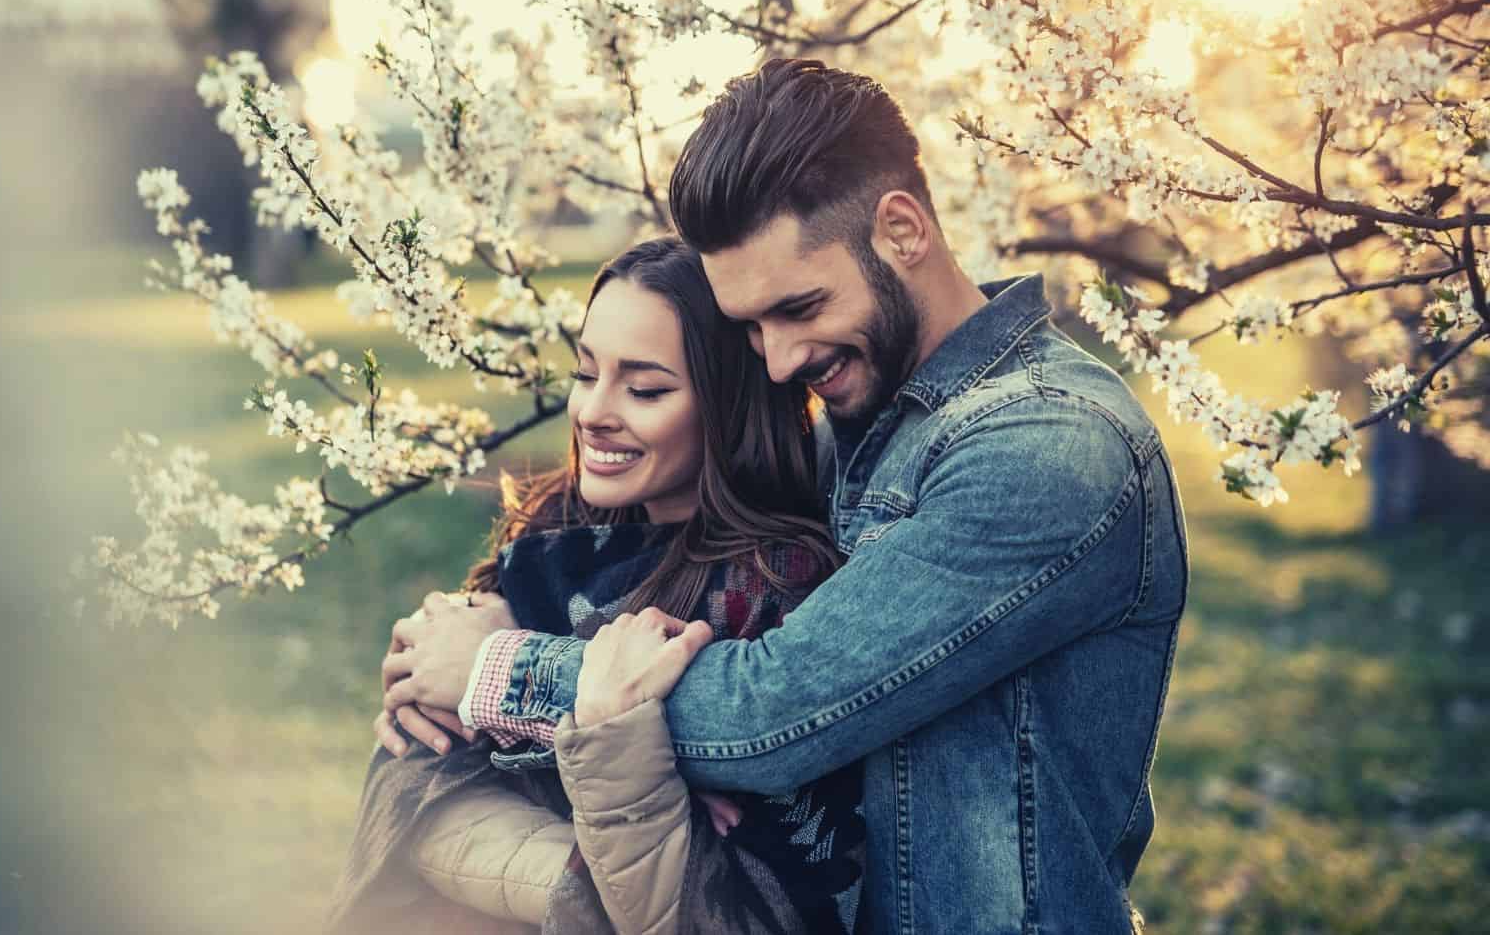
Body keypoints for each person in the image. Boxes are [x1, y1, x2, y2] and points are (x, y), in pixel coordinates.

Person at [381, 58, 1190, 934]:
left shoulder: (1047, 445)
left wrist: (496, 673)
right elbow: (692, 561)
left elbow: (768, 713)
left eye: (799, 306)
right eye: (751, 326)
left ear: (903, 230)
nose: (776, 361)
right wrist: (458, 631)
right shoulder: (856, 414)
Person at [330, 237, 866, 935]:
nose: (594, 412)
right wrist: (427, 687)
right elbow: (414, 782)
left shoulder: (774, 593)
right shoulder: (552, 542)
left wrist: (514, 708)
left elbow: (720, 903)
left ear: (730, 408)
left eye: (645, 389)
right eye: (587, 374)